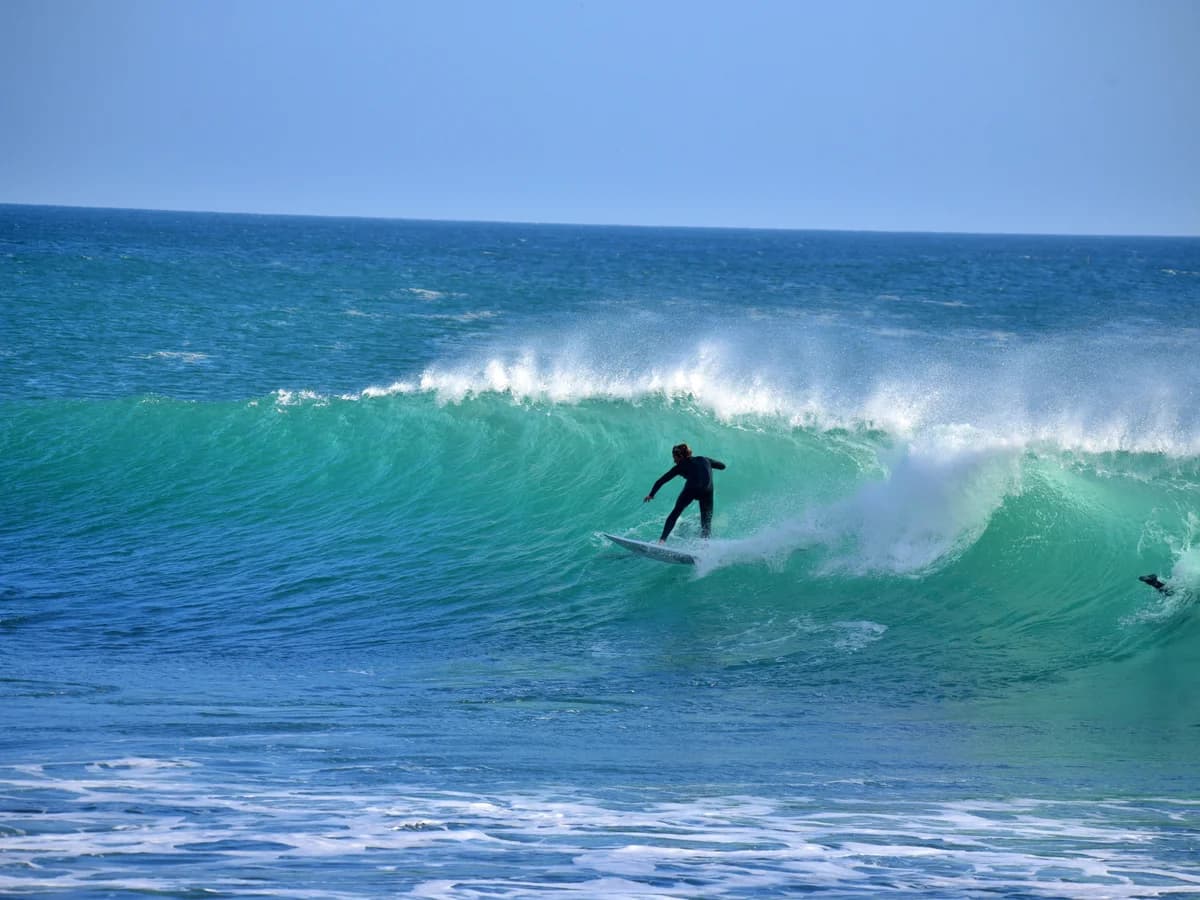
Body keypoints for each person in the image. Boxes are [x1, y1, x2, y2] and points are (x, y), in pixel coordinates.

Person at [643, 443, 726, 543]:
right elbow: (722, 466)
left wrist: (651, 495)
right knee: (706, 522)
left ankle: (661, 541)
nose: (674, 461)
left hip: (691, 489)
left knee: (675, 514)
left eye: (675, 458)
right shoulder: (704, 459)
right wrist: (708, 465)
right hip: (707, 491)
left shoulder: (680, 466)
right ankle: (705, 546)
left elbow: (662, 480)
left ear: (681, 456)